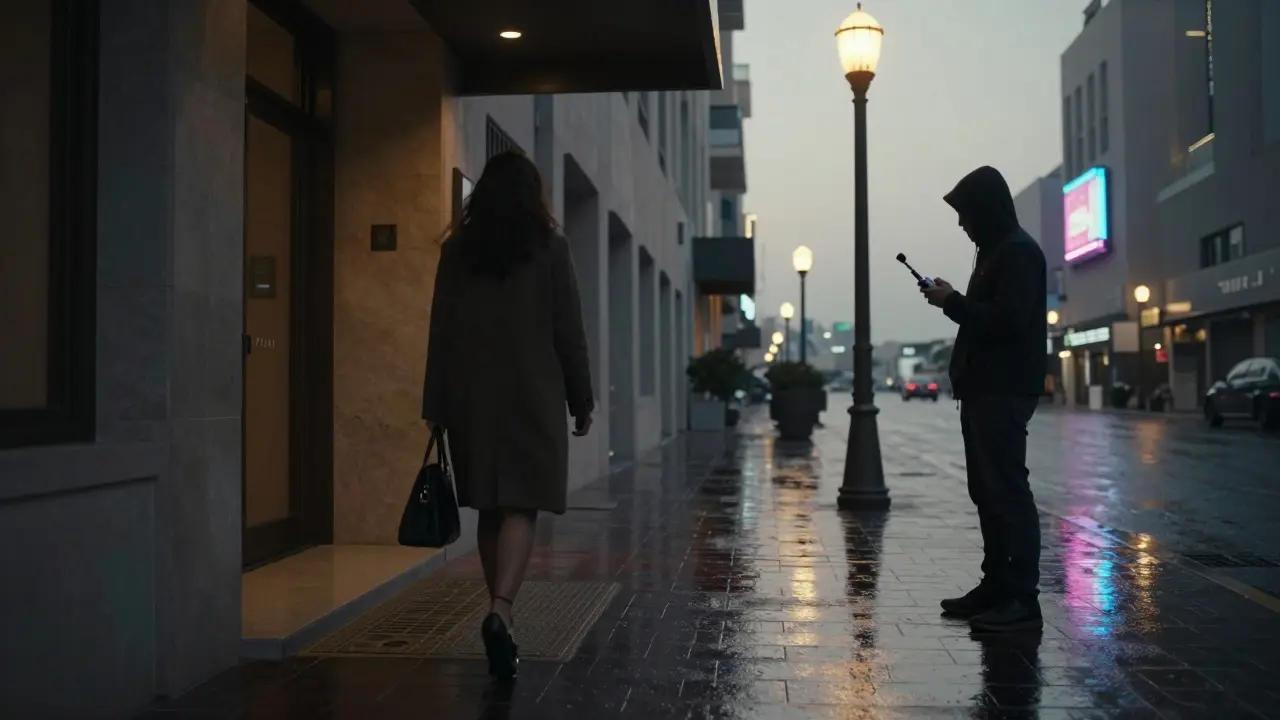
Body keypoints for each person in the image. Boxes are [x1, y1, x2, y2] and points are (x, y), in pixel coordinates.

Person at [421, 150, 595, 677]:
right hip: (533, 395)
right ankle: (502, 611)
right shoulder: (550, 248)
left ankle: (499, 612)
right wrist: (580, 399)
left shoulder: (456, 252)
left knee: (490, 508)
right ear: (532, 195)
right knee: (521, 505)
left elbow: (441, 333)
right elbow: (569, 332)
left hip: (472, 397)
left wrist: (436, 404)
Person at [920, 165, 1048, 633]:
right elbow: (987, 317)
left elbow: (1007, 322)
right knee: (987, 492)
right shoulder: (995, 252)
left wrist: (952, 301)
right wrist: (954, 299)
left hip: (1003, 389)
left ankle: (1020, 597)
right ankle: (996, 586)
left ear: (986, 210)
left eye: (966, 213)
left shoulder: (1017, 253)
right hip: (982, 390)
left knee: (1008, 492)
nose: (961, 224)